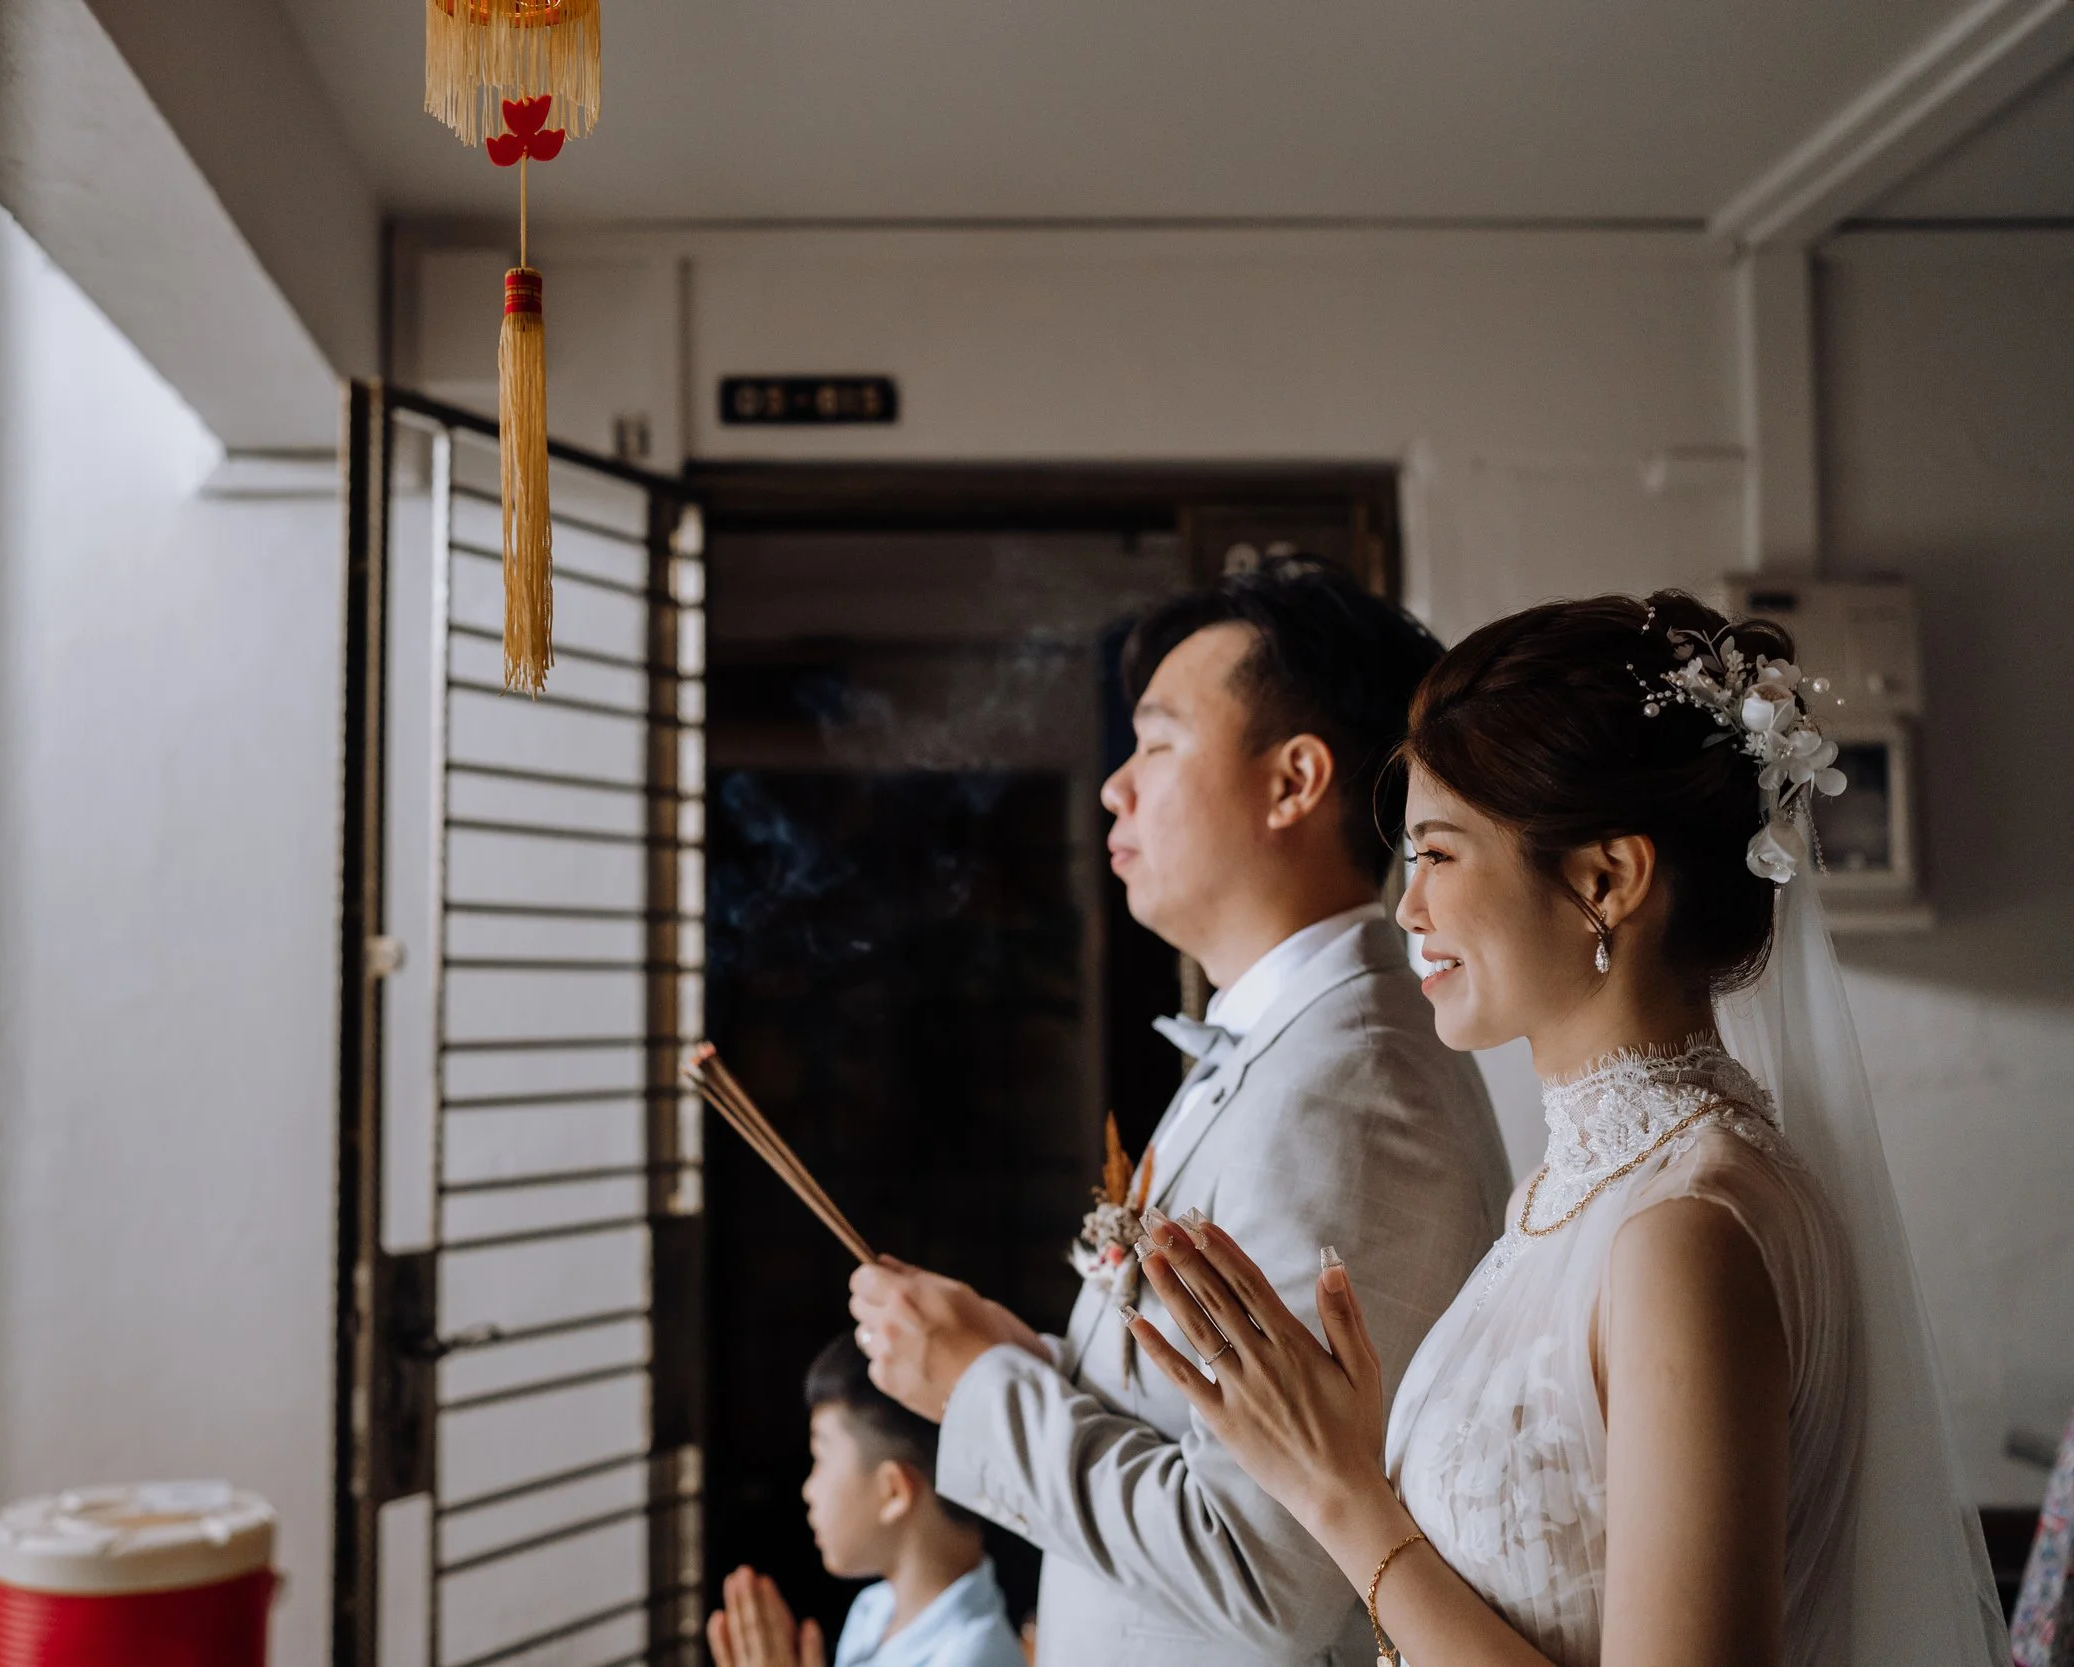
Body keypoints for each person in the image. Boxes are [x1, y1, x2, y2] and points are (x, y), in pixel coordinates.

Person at [1128, 591, 2010, 1665]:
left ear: (1605, 878)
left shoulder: (1685, 1226)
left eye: (1440, 856)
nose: (1407, 909)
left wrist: (1344, 1497)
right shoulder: (1581, 1194)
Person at [848, 560, 1513, 1665]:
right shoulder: (1289, 1042)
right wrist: (1045, 1359)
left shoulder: (1339, 1086)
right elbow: (1197, 1422)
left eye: (1156, 741)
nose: (1115, 784)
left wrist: (983, 1390)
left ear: (1293, 780)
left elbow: (1263, 1567)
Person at [709, 1333, 1023, 1667]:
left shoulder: (971, 1656)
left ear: (893, 1492)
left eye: (821, 1457)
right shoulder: (875, 1609)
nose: (808, 1490)